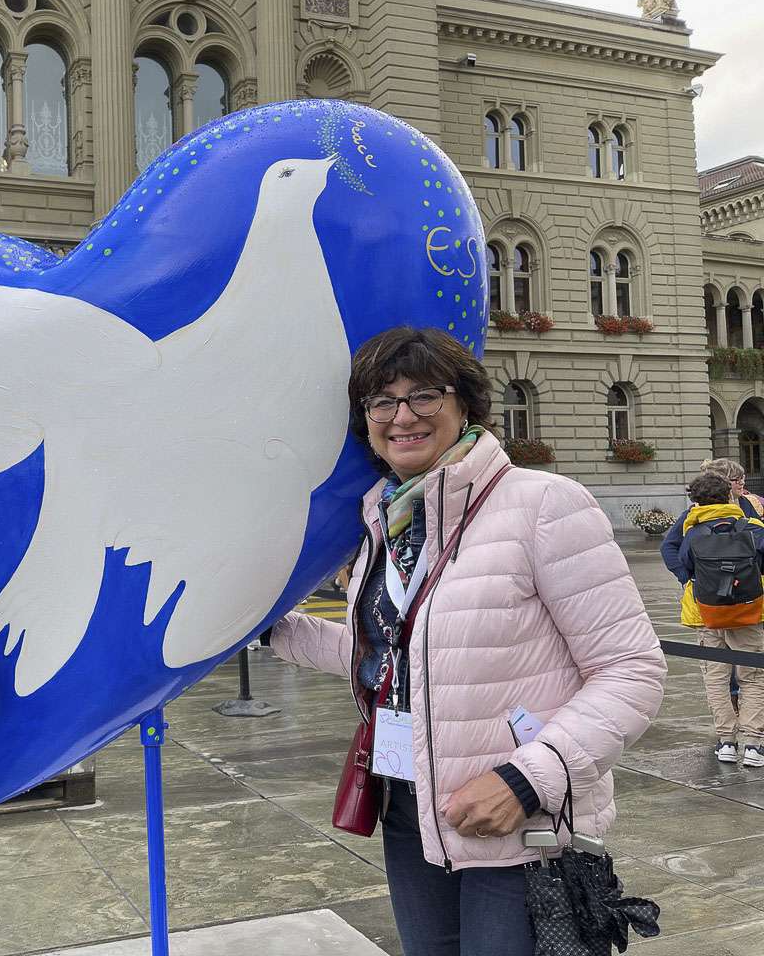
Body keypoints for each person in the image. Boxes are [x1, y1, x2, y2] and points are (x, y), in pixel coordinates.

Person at [263, 327, 665, 956]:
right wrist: (270, 627)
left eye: (424, 395)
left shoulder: (542, 506)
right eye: (382, 401)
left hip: (515, 818)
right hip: (409, 805)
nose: (403, 417)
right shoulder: (385, 523)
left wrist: (527, 780)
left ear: (465, 405)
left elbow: (631, 670)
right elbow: (400, 659)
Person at [677, 472, 764, 766]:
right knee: (752, 677)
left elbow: (685, 567)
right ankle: (754, 745)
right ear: (730, 496)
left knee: (715, 677)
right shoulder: (750, 526)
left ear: (695, 501)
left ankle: (726, 741)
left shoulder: (693, 533)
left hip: (708, 614)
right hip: (747, 613)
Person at [660, 458, 760, 710]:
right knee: (720, 662)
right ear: (725, 484)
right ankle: (735, 706)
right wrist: (687, 577)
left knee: (749, 660)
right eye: (738, 480)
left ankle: (747, 713)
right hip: (711, 596)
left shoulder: (748, 505)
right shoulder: (694, 515)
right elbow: (670, 547)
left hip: (748, 593)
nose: (743, 484)